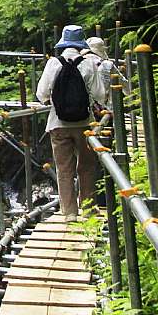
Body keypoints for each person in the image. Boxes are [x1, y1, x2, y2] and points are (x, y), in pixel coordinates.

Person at [36, 24, 110, 218]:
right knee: (87, 168)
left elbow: (41, 93)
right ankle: (87, 209)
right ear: (80, 44)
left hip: (58, 124)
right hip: (84, 124)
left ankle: (69, 212)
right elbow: (100, 94)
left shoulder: (53, 63)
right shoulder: (87, 64)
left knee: (63, 170)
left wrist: (49, 101)